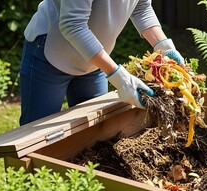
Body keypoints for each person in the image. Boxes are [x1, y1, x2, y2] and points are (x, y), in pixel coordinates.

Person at [19, 0, 184, 126]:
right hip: (50, 55)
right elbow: (72, 25)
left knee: (96, 131)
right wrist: (119, 77)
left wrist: (164, 46)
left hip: (95, 60)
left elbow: (141, 7)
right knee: (36, 138)